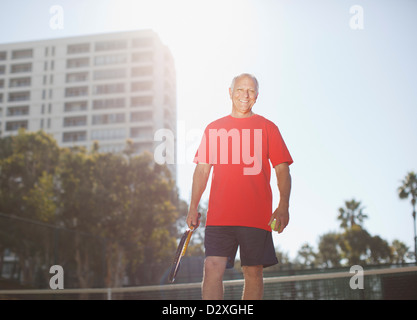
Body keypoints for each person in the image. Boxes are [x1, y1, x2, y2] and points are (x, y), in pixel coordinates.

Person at [186, 73, 293, 300]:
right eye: (240, 90)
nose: (245, 95)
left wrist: (283, 205)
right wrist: (193, 206)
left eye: (251, 91)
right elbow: (202, 170)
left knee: (253, 272)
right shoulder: (214, 129)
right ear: (230, 92)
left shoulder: (268, 128)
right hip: (219, 216)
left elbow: (282, 169)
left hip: (256, 216)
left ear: (257, 96)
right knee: (212, 268)